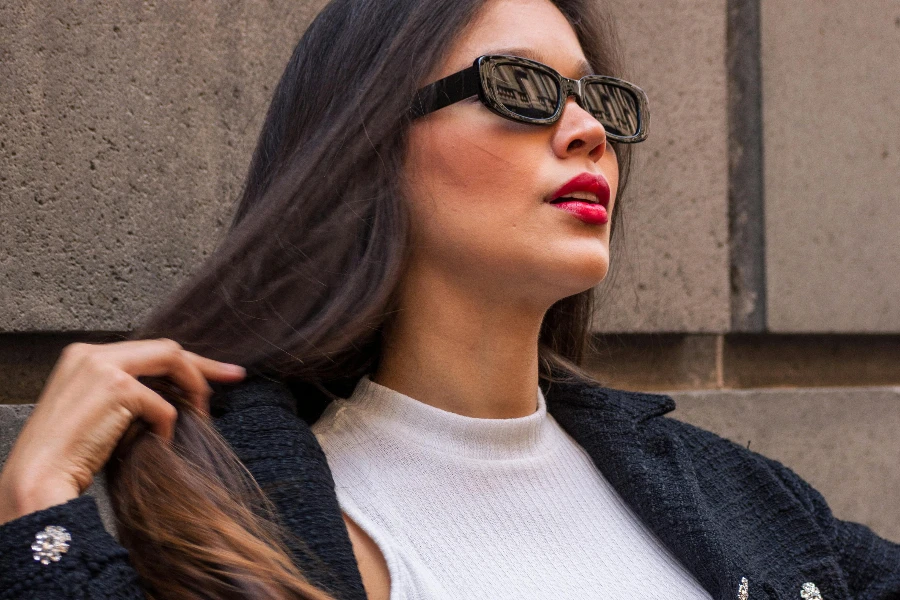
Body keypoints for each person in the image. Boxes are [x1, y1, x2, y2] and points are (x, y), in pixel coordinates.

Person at [1, 0, 898, 598]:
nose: (587, 131)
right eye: (522, 89)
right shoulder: (253, 525)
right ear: (369, 141)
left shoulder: (736, 495)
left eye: (599, 99)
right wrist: (40, 519)